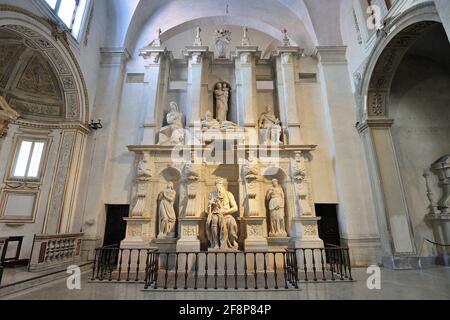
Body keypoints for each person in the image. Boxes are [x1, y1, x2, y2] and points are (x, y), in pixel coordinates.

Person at [206, 179, 239, 250]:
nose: (218, 186)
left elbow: (235, 208)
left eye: (220, 184)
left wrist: (225, 211)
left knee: (231, 222)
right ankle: (216, 244)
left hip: (226, 214)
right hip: (215, 214)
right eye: (217, 184)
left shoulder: (228, 194)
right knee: (214, 220)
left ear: (222, 185)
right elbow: (208, 209)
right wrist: (210, 205)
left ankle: (231, 241)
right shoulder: (212, 194)